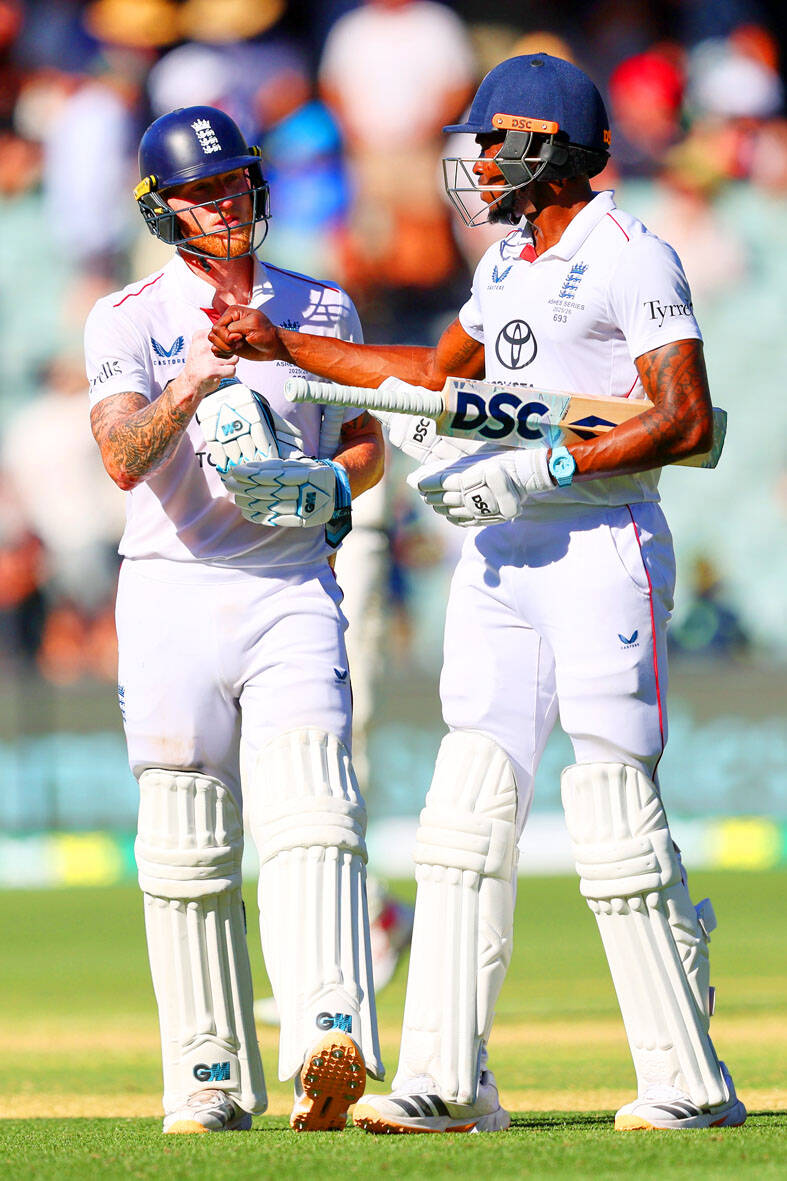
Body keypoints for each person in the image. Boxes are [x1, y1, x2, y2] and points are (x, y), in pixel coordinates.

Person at [208, 54, 747, 1135]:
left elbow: (684, 417)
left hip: (599, 541)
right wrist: (286, 346)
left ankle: (689, 1081)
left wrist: (545, 468)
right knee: (464, 812)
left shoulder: (632, 255)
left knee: (612, 810)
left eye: (496, 142)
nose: (482, 162)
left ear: (549, 147)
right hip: (502, 553)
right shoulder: (505, 262)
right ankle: (448, 1079)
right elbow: (434, 373)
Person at [84, 105, 385, 1134]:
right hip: (171, 588)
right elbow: (120, 456)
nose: (224, 206)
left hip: (290, 584)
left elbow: (362, 441)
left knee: (316, 810)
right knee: (185, 842)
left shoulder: (321, 304)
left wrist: (332, 486)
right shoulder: (127, 315)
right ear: (162, 210)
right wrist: (191, 385)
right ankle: (207, 1077)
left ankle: (327, 1037)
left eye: (234, 184)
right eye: (201, 193)